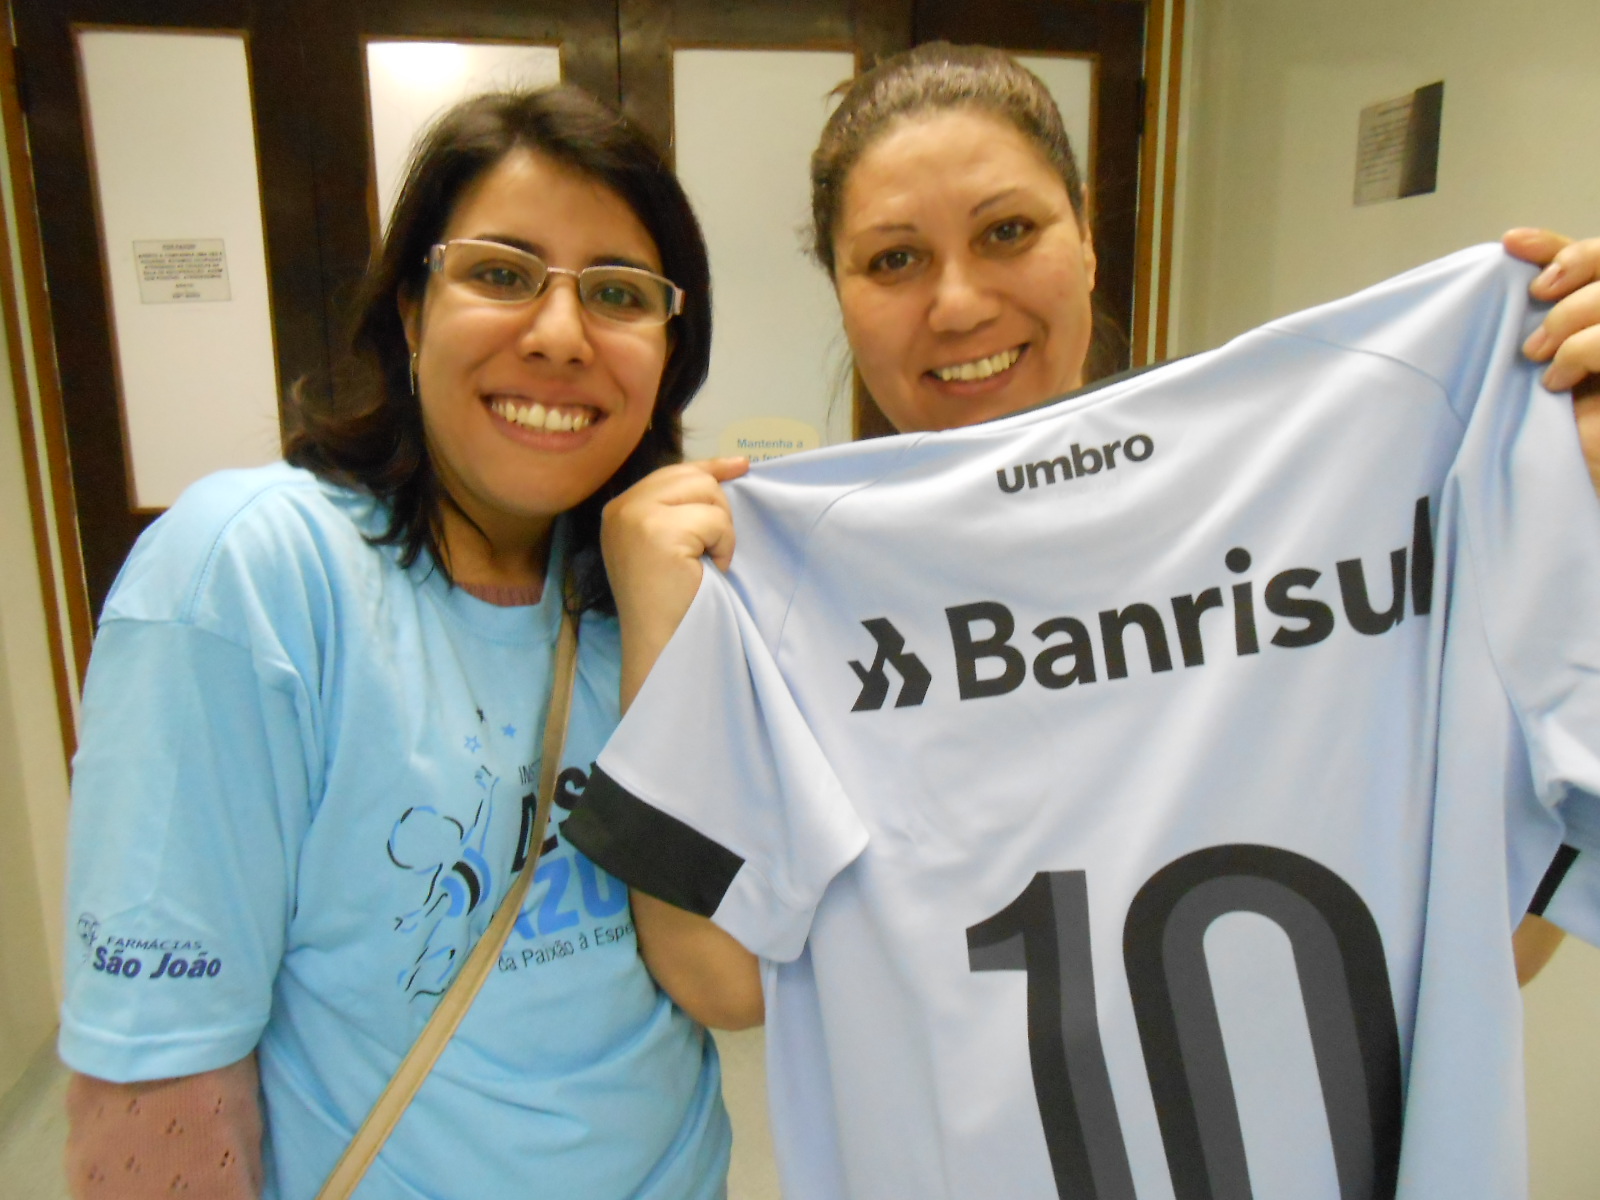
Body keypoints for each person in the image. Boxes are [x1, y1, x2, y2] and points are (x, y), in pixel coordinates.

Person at [576, 41, 1600, 1198]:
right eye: (893, 259)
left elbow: (1497, 935)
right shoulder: (789, 580)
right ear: (844, 297)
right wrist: (662, 624)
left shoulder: (1377, 473)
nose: (958, 303)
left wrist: (1576, 501)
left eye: (1008, 231)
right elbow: (721, 980)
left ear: (1087, 239)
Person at [58, 86, 733, 1200]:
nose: (560, 335)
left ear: (669, 350)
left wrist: (666, 618)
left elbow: (727, 976)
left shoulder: (663, 593)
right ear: (412, 310)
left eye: (617, 293)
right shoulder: (253, 577)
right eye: (501, 273)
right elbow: (157, 1079)